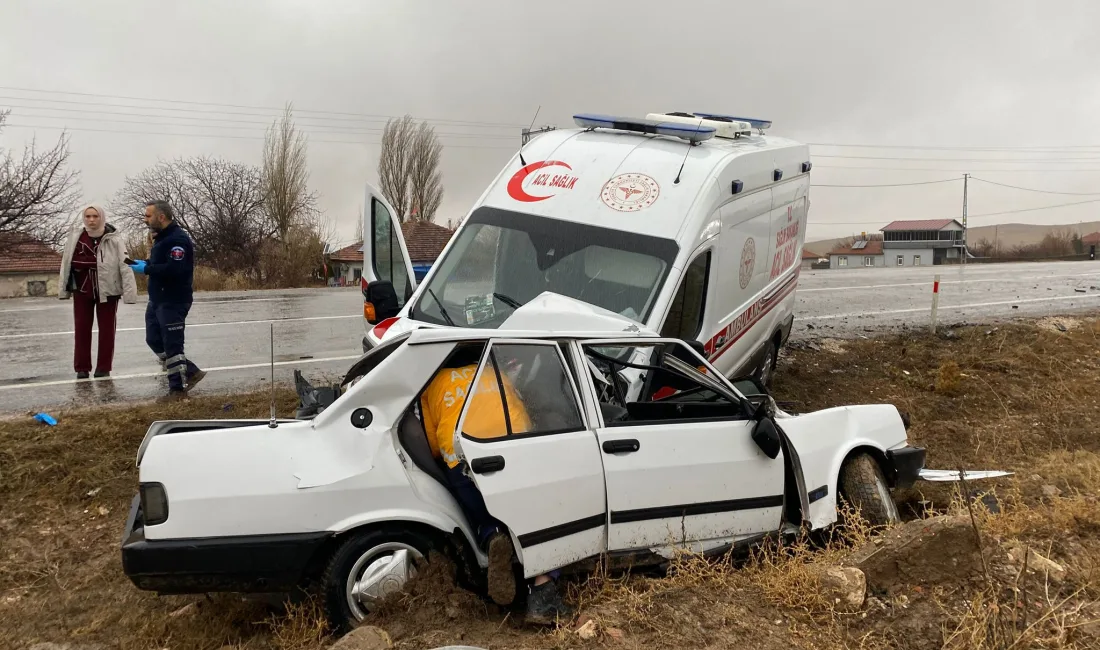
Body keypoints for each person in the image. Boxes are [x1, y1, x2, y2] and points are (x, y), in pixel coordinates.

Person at [419, 346, 573, 625]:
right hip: (510, 455)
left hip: (464, 463)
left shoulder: (433, 384)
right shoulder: (495, 373)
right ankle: (542, 591)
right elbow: (524, 420)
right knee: (544, 518)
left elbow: (431, 446)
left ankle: (491, 535)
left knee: (481, 513)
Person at [127, 200, 206, 401]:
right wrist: (144, 263)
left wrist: (146, 269)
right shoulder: (161, 239)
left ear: (161, 217)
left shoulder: (177, 239)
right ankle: (191, 371)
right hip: (157, 299)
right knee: (153, 339)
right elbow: (160, 263)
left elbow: (175, 269)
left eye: (148, 215)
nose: (145, 219)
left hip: (173, 299)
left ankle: (177, 390)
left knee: (173, 346)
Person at [58, 205, 138, 379]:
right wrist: (63, 289)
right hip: (82, 289)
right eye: (88, 216)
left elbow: (125, 264)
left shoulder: (113, 238)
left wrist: (130, 293)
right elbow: (67, 263)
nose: (91, 220)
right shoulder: (76, 237)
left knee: (108, 331)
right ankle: (82, 368)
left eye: (95, 216)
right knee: (81, 329)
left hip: (108, 290)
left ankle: (103, 368)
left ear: (101, 217)